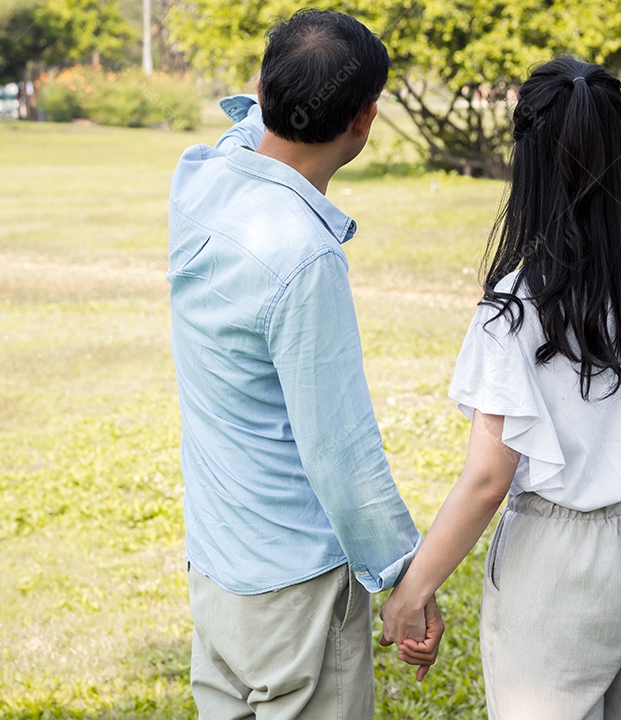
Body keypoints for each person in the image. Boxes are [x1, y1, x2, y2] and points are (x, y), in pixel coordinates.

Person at [378, 56, 621, 719]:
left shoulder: (514, 306)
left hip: (559, 565)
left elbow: (489, 478)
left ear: (530, 160)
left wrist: (414, 588)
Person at [167, 10, 442, 720]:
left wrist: (270, 90)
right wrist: (409, 578)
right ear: (366, 120)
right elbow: (341, 454)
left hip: (218, 568)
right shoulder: (305, 259)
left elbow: (243, 127)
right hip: (296, 587)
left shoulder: (197, 181)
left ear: (261, 92)